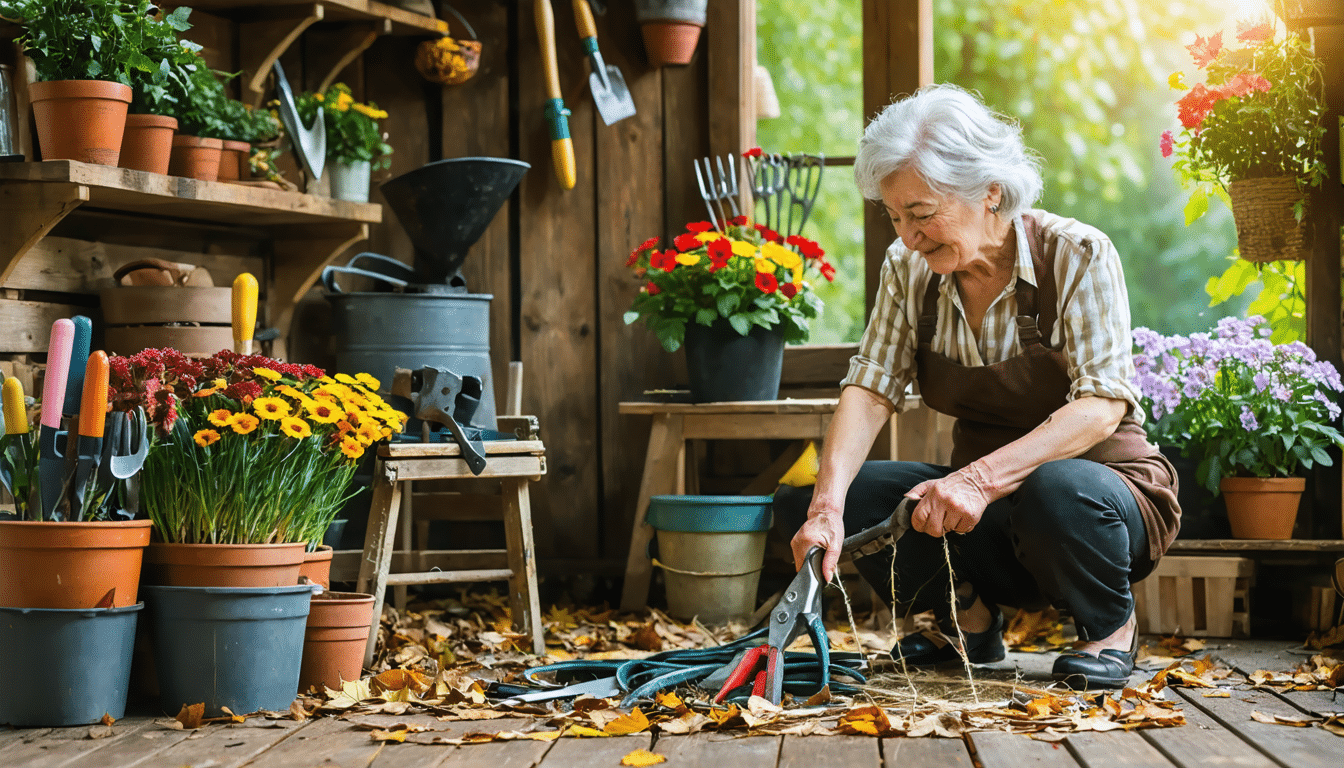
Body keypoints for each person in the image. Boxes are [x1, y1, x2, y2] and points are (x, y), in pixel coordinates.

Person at [775, 84, 1181, 690]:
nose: (908, 235)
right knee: (850, 492)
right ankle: (966, 619)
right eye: (894, 216)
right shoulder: (908, 268)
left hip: (1097, 504)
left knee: (1057, 485)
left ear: (989, 191)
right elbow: (870, 388)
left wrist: (975, 479)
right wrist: (826, 510)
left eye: (922, 213)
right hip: (984, 516)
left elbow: (1101, 407)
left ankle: (1108, 627)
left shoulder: (1078, 253)